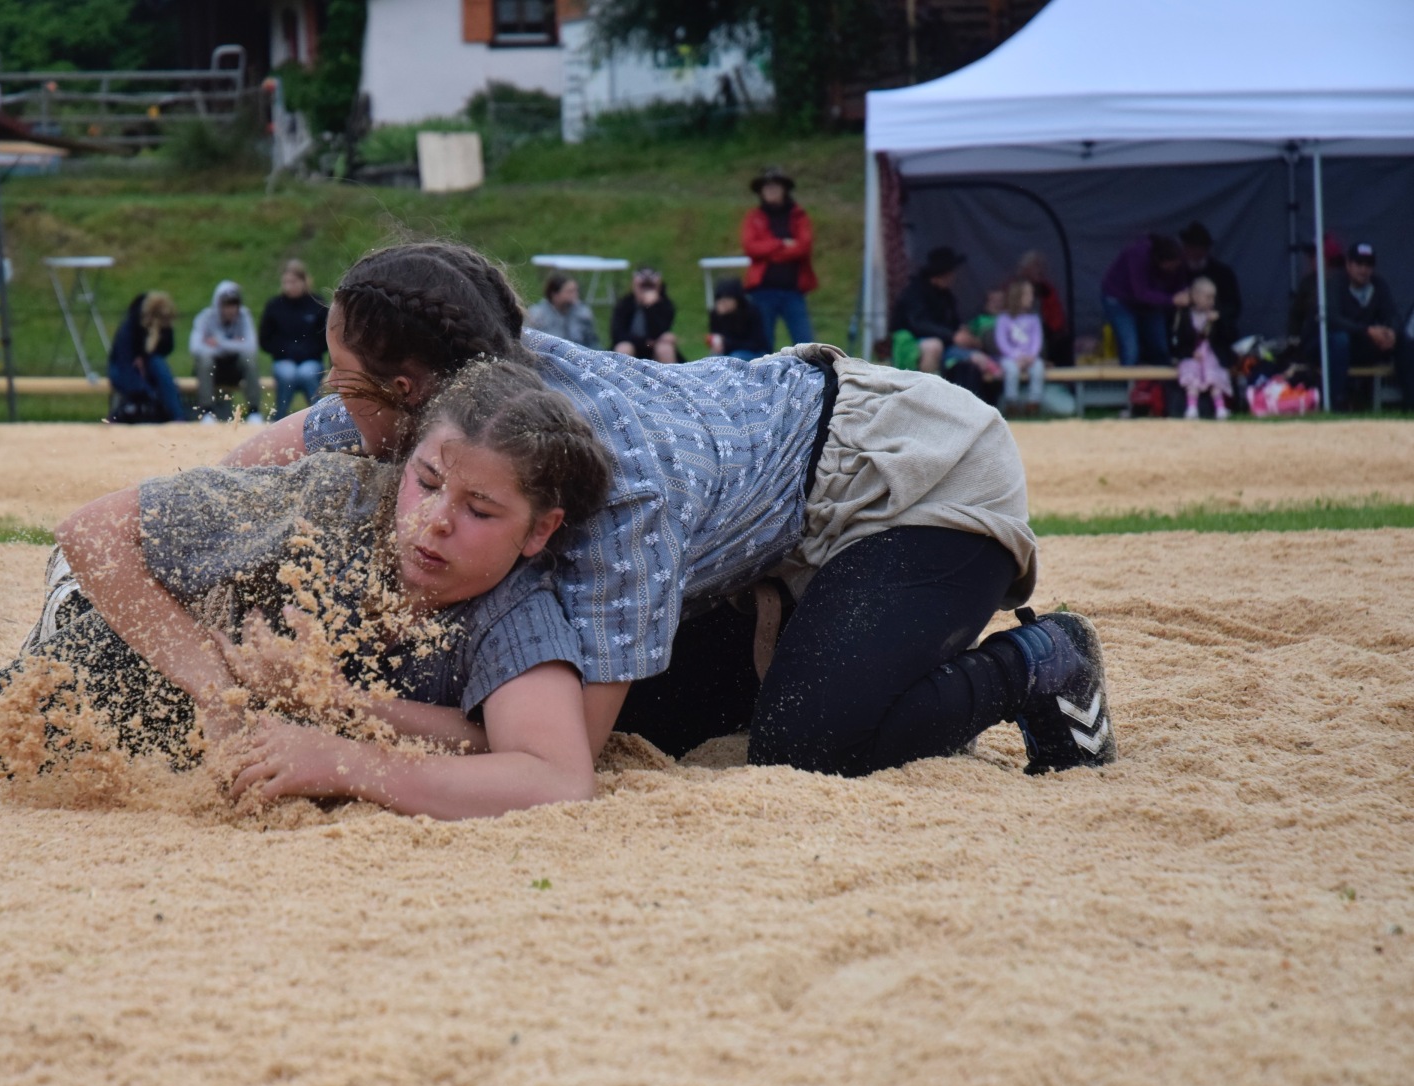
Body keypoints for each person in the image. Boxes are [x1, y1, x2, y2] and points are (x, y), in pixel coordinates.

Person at [220, 240, 1119, 779]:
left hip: (914, 475)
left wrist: (336, 707)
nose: (341, 405)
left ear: (410, 391)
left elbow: (558, 756)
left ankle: (1044, 661)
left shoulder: (620, 498)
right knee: (663, 720)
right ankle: (820, 642)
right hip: (771, 497)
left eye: (349, 385)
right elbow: (271, 454)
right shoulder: (476, 390)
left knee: (813, 743)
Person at [0, 364, 616, 820]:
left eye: (479, 511)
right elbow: (94, 530)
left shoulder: (513, 608)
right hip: (131, 631)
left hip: (250, 704)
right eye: (428, 485)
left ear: (541, 533)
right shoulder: (336, 503)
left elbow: (548, 773)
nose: (435, 523)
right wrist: (220, 691)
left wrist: (343, 746)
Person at [1303, 242, 1399, 410]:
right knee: (1340, 339)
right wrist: (1367, 331)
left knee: (1404, 341)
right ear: (1348, 264)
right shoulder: (1334, 283)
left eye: (1368, 264)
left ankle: (1408, 401)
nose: (1363, 269)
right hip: (1322, 345)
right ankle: (1335, 401)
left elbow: (1392, 314)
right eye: (1358, 264)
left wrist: (1391, 333)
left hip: (1357, 343)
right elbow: (1332, 320)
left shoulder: (1378, 284)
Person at [740, 166, 816, 348]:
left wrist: (770, 253)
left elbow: (803, 247)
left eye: (775, 187)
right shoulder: (754, 217)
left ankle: (811, 374)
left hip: (793, 290)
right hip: (763, 290)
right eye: (767, 188)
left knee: (805, 341)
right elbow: (751, 247)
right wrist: (781, 244)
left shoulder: (798, 216)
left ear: (784, 190)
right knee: (763, 342)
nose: (771, 191)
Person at [890, 246, 985, 392]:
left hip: (947, 345)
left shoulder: (946, 296)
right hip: (915, 342)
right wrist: (952, 336)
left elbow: (954, 323)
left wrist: (964, 334)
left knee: (978, 359)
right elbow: (917, 323)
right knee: (934, 346)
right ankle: (924, 394)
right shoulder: (915, 292)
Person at [1101, 234, 1187, 366]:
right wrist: (1172, 300)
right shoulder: (1138, 254)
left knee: (1160, 348)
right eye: (1171, 266)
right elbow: (1141, 292)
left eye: (1177, 265)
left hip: (1152, 301)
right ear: (1160, 261)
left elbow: (1179, 284)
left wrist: (1183, 293)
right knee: (1131, 350)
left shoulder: (1179, 260)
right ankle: (1130, 385)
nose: (1173, 269)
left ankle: (1162, 386)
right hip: (1120, 299)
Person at [258, 260, 328, 421]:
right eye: (285, 282)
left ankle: (319, 419)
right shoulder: (274, 306)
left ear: (303, 281)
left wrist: (308, 351)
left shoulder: (317, 303)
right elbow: (265, 339)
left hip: (311, 359)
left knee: (307, 373)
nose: (289, 286)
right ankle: (280, 418)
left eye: (293, 282)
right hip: (284, 359)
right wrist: (284, 351)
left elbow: (325, 337)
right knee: (287, 373)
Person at [107, 291, 187, 422]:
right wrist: (145, 390)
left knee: (158, 366)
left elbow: (166, 349)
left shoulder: (159, 329)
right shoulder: (128, 329)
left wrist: (156, 338)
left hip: (147, 368)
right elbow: (124, 364)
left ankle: (178, 417)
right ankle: (118, 416)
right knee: (143, 387)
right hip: (122, 369)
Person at [190, 280, 263, 421]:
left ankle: (254, 411)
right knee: (205, 359)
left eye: (234, 305)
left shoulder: (244, 316)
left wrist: (219, 343)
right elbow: (195, 348)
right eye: (226, 305)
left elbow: (251, 347)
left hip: (235, 370)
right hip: (213, 370)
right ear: (218, 304)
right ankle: (206, 412)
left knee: (249, 358)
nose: (231, 309)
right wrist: (233, 344)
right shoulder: (205, 318)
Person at [1172, 276, 1235, 420]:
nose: (1211, 302)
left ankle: (1220, 408)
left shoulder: (1216, 315)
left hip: (1211, 357)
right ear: (1195, 296)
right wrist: (1190, 353)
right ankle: (1192, 408)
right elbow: (1179, 342)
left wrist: (1219, 321)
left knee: (1214, 376)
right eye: (1208, 297)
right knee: (1191, 375)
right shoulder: (1183, 316)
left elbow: (1227, 338)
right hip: (1192, 357)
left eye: (1213, 298)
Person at [1178, 222, 1242, 331]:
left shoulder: (1222, 273)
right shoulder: (1177, 273)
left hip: (1216, 332)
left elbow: (1233, 306)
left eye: (1200, 248)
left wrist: (1215, 315)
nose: (1195, 252)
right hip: (1184, 333)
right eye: (1191, 247)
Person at [995, 279, 1046, 412]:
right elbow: (1002, 342)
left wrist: (1031, 356)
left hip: (1030, 357)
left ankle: (1034, 402)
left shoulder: (1034, 319)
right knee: (1011, 370)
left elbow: (1037, 340)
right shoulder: (1004, 319)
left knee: (1038, 368)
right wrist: (1016, 356)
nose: (1031, 298)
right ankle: (1011, 402)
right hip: (1010, 357)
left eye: (1032, 294)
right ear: (1017, 297)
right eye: (1027, 294)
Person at [1014, 250, 1072, 367]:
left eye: (1042, 266)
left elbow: (1057, 317)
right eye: (1036, 266)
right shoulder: (1013, 287)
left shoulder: (1047, 289)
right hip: (1017, 329)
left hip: (1044, 330)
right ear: (1025, 269)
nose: (1040, 270)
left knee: (1062, 341)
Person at [609, 267, 678, 362]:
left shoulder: (665, 305)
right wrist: (645, 342)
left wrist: (650, 308)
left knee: (665, 349)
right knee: (623, 348)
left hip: (654, 349)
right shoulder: (624, 304)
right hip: (632, 345)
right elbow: (617, 334)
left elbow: (660, 333)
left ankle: (670, 376)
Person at [523, 272, 600, 349]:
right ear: (554, 294)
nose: (575, 295)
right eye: (570, 292)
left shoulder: (583, 313)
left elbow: (592, 341)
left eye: (576, 291)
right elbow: (527, 341)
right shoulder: (537, 314)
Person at [707, 278, 770, 361]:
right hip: (728, 351)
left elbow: (757, 343)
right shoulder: (716, 314)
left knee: (734, 358)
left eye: (727, 299)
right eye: (721, 299)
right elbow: (717, 335)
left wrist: (727, 343)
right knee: (711, 359)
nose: (724, 303)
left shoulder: (751, 311)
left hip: (753, 351)